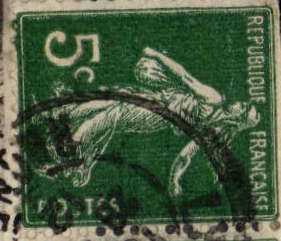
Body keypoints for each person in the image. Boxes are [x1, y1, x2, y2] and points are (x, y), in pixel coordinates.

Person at [40, 46, 259, 197]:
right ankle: (74, 143)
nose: (240, 103)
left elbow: (185, 155)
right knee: (112, 107)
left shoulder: (214, 103)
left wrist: (174, 180)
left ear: (238, 119)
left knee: (115, 112)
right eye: (245, 104)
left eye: (244, 108)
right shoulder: (214, 119)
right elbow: (183, 79)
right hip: (158, 102)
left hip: (157, 115)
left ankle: (72, 137)